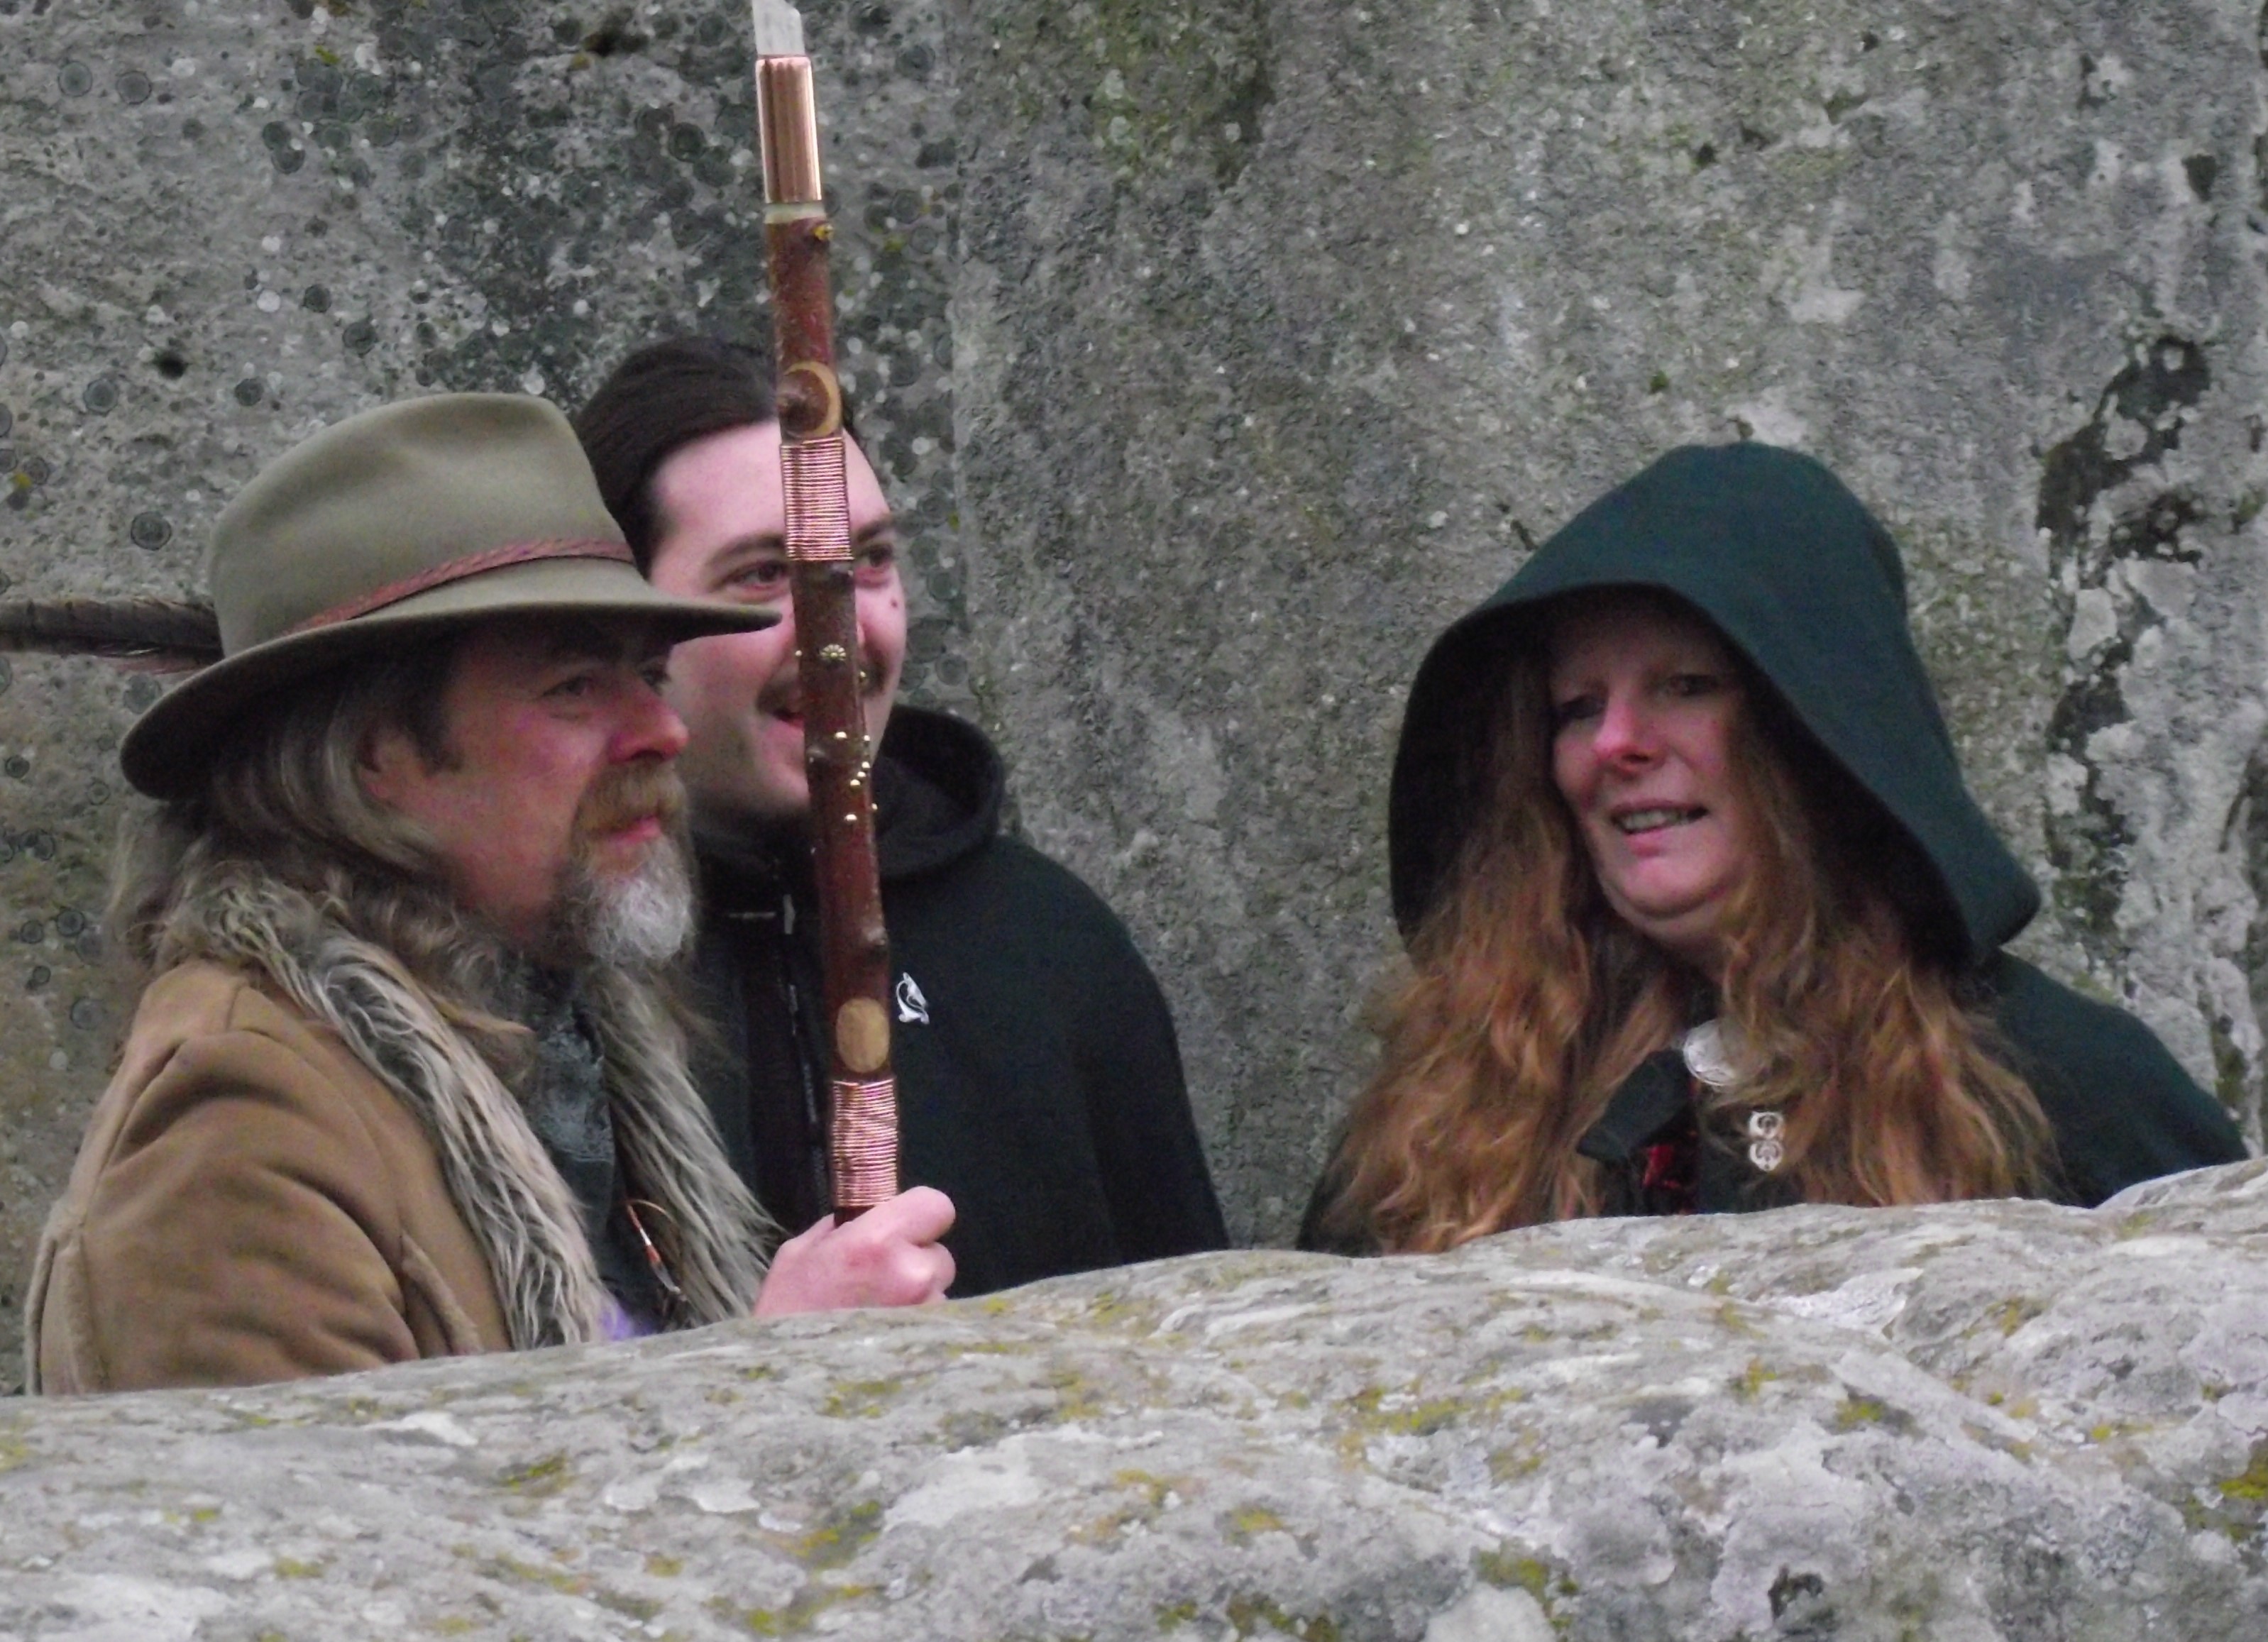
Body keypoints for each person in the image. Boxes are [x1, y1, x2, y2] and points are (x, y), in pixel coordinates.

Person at [26, 394, 954, 1394]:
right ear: (373, 755)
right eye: (574, 687)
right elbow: (312, 1497)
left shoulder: (556, 1047)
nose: (663, 732)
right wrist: (774, 1377)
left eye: (649, 674)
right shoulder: (238, 1129)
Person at [1303, 441, 2246, 1254]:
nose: (1615, 742)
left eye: (1686, 685)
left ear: (1815, 730)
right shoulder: (1450, 1118)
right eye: (1577, 707)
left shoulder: (2060, 1084)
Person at [573, 338, 1228, 1292]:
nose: (841, 631)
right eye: (763, 574)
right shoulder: (549, 972)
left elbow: (1199, 1332)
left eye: (869, 561)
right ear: (623, 620)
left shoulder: (1044, 946)